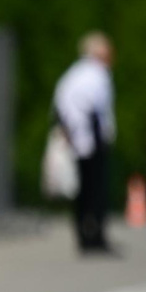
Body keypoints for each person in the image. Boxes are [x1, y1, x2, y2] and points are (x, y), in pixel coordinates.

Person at [53, 32, 117, 256]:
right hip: (91, 139)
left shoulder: (74, 74)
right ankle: (96, 236)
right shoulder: (97, 74)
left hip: (77, 139)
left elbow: (61, 104)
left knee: (82, 192)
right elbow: (99, 110)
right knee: (97, 191)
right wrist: (99, 137)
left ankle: (83, 235)